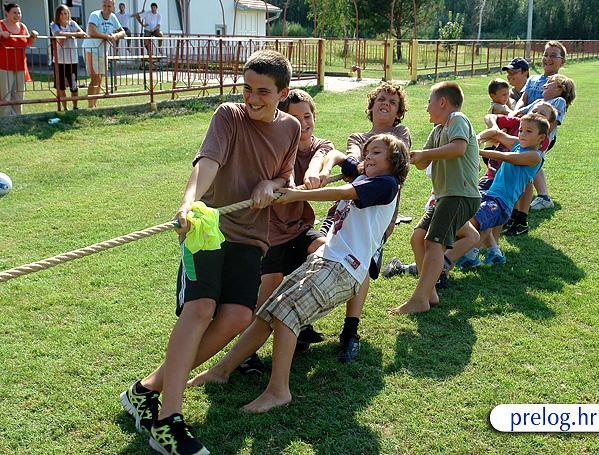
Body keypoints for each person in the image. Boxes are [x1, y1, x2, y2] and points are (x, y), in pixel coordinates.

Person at [119, 50, 300, 455]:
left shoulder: (289, 128)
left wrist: (271, 184)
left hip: (251, 236)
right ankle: (168, 421)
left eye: (263, 92)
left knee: (237, 317)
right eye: (247, 89)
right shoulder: (229, 115)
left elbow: (285, 177)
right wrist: (188, 203)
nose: (252, 98)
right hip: (207, 230)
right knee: (200, 309)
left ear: (283, 93)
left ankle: (145, 389)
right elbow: (208, 163)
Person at [186, 133, 410, 414]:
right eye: (367, 152)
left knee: (286, 314)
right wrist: (324, 170)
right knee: (267, 312)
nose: (369, 157)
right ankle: (221, 371)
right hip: (326, 259)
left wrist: (298, 195)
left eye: (376, 152)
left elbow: (343, 193)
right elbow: (338, 156)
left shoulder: (387, 184)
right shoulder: (367, 175)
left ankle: (278, 391)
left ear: (395, 161)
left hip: (344, 268)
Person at [238, 88, 334, 373]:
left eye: (307, 116)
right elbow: (286, 170)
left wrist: (316, 173)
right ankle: (245, 353)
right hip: (270, 232)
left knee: (325, 253)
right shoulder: (276, 145)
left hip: (300, 228)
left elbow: (323, 156)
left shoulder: (321, 144)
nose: (303, 123)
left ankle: (301, 322)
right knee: (268, 287)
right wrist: (287, 183)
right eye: (295, 118)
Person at [319, 81, 411, 362]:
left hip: (378, 218)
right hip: (345, 212)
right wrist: (358, 165)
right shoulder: (357, 137)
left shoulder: (400, 134)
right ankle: (305, 320)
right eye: (380, 99)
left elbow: (364, 166)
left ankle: (350, 331)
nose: (385, 104)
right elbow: (356, 162)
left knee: (362, 267)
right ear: (371, 107)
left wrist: (358, 165)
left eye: (392, 102)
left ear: (398, 113)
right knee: (322, 252)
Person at [390, 82, 481, 315]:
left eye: (429, 101)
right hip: (445, 196)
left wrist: (425, 154)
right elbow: (423, 163)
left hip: (460, 195)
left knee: (433, 243)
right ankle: (429, 293)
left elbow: (458, 148)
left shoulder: (456, 119)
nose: (426, 107)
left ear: (442, 102)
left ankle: (419, 299)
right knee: (418, 238)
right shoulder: (438, 130)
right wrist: (410, 157)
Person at [446, 113, 549, 266]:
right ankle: (491, 253)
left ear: (541, 138)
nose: (522, 134)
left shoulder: (535, 156)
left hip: (502, 202)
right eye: (520, 130)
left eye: (528, 131)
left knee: (474, 223)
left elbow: (506, 157)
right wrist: (477, 139)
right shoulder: (518, 144)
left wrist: (476, 150)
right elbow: (497, 134)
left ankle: (460, 258)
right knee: (482, 223)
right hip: (491, 195)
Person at [504, 74, 576, 235]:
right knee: (518, 180)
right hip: (524, 145)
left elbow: (550, 124)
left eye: (549, 83)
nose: (544, 86)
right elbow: (519, 114)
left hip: (536, 148)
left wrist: (535, 136)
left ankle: (521, 221)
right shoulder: (538, 102)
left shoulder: (559, 101)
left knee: (526, 181)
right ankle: (513, 217)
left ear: (560, 89)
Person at [514, 40, 567, 211]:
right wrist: (514, 112)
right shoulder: (533, 79)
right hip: (524, 127)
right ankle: (527, 190)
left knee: (532, 159)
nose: (548, 59)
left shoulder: (560, 83)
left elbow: (556, 114)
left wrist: (544, 131)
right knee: (527, 157)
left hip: (542, 133)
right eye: (545, 54)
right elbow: (523, 99)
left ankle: (543, 196)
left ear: (562, 61)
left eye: (553, 56)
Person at [82, 0, 125, 108]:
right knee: (94, 78)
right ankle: (90, 106)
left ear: (113, 6)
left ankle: (94, 104)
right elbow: (91, 32)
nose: (106, 8)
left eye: (109, 6)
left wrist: (116, 36)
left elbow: (123, 32)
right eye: (104, 5)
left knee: (100, 79)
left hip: (103, 51)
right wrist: (107, 37)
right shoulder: (95, 15)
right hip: (91, 49)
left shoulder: (113, 17)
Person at [0, 2, 37, 116]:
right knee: (5, 94)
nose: (17, 15)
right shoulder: (1, 24)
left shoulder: (22, 26)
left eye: (19, 13)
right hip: (4, 66)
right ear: (6, 13)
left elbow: (28, 43)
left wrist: (32, 37)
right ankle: (5, 118)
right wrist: (1, 34)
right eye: (14, 13)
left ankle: (17, 117)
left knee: (19, 94)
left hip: (20, 65)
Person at [50, 5, 85, 111]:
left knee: (73, 85)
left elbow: (82, 33)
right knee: (61, 86)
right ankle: (65, 108)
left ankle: (75, 106)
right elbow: (58, 34)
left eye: (65, 13)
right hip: (59, 60)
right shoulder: (54, 25)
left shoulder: (72, 23)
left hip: (72, 60)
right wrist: (73, 34)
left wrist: (68, 35)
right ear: (58, 15)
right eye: (61, 14)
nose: (64, 16)